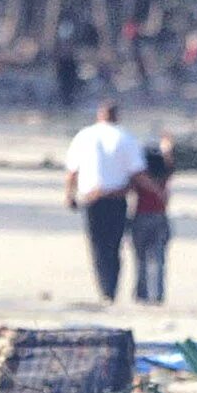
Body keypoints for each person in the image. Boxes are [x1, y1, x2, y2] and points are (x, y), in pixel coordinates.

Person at [64, 101, 148, 303]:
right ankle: (111, 289)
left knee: (97, 246)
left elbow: (72, 171)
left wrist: (69, 195)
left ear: (99, 115)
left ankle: (104, 290)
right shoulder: (126, 137)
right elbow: (137, 173)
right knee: (114, 245)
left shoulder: (84, 136)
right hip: (116, 199)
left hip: (91, 199)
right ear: (116, 116)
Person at [130, 135, 175, 304]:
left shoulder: (141, 180)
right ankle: (157, 295)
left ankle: (141, 294)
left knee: (140, 260)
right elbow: (170, 163)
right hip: (160, 218)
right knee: (159, 260)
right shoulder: (164, 177)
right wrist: (167, 148)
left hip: (141, 217)